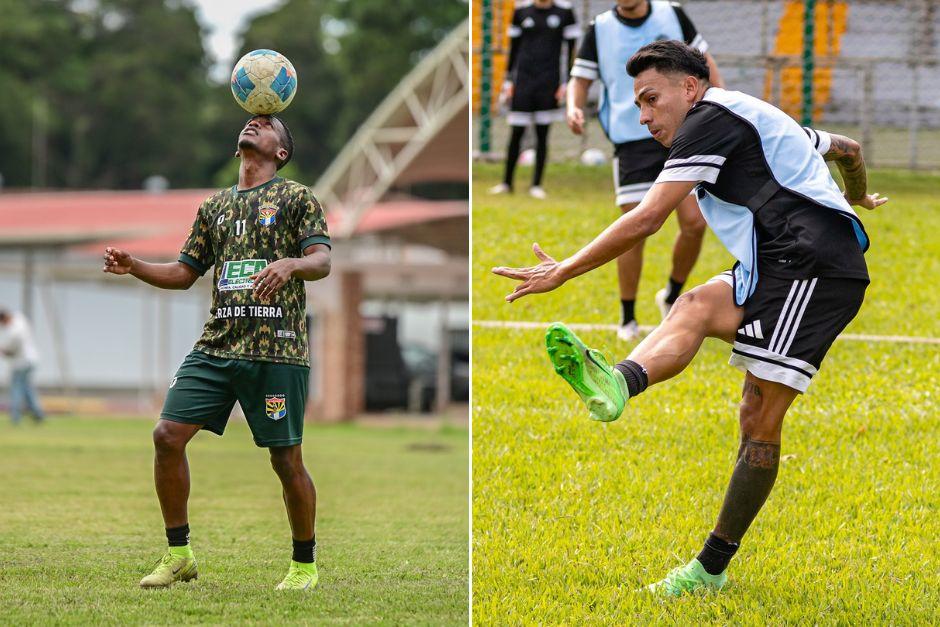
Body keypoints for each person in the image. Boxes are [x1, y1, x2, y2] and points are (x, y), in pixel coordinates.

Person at [493, 41, 888, 597]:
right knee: (695, 304)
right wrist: (857, 195)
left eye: (652, 99)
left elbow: (648, 217)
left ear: (691, 88)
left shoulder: (709, 120)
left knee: (759, 418)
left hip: (815, 270)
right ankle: (619, 381)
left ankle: (709, 569)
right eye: (637, 105)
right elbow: (845, 147)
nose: (645, 115)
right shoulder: (744, 114)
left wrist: (565, 272)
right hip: (773, 261)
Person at [103, 114, 332, 591]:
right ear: (237, 148)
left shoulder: (296, 197)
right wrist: (135, 265)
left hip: (277, 351)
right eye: (250, 121)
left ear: (281, 152)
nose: (253, 124)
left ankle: (304, 566)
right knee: (166, 436)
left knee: (285, 460)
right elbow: (185, 273)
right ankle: (179, 555)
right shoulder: (214, 207)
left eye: (266, 124)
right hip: (217, 345)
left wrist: (292, 264)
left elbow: (322, 260)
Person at [567, 0, 723, 340]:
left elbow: (705, 65)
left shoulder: (673, 13)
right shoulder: (600, 28)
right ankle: (627, 317)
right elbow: (579, 78)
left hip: (684, 131)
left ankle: (670, 294)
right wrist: (573, 107)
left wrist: (722, 104)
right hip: (632, 140)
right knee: (634, 230)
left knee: (695, 223)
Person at [490, 0, 580, 199]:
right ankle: (506, 183)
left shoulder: (565, 11)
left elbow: (571, 51)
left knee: (542, 134)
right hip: (523, 81)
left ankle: (536, 185)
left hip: (549, 81)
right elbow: (513, 49)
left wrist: (566, 82)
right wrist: (508, 81)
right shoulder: (521, 11)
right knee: (516, 133)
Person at [0, 309, 46, 425]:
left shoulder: (14, 332)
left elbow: (10, 351)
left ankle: (15, 417)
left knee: (16, 389)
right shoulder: (20, 319)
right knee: (27, 388)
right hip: (32, 359)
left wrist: (3, 351)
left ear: (4, 319)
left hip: (21, 363)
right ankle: (38, 413)